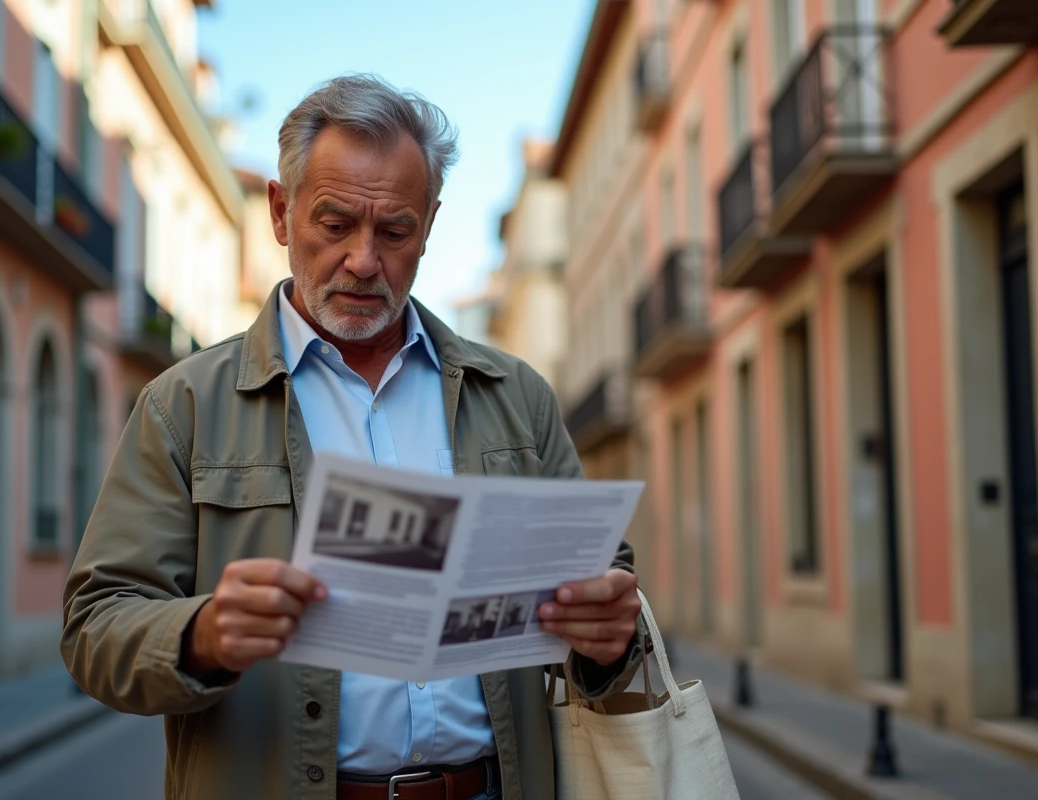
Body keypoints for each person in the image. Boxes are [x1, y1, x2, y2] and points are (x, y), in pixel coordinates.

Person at [62, 74, 644, 800]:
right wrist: (201, 635)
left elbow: (606, 587)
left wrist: (610, 633)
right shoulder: (182, 406)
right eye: (335, 224)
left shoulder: (517, 397)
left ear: (429, 225)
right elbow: (95, 626)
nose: (365, 260)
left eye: (395, 231)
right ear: (281, 212)